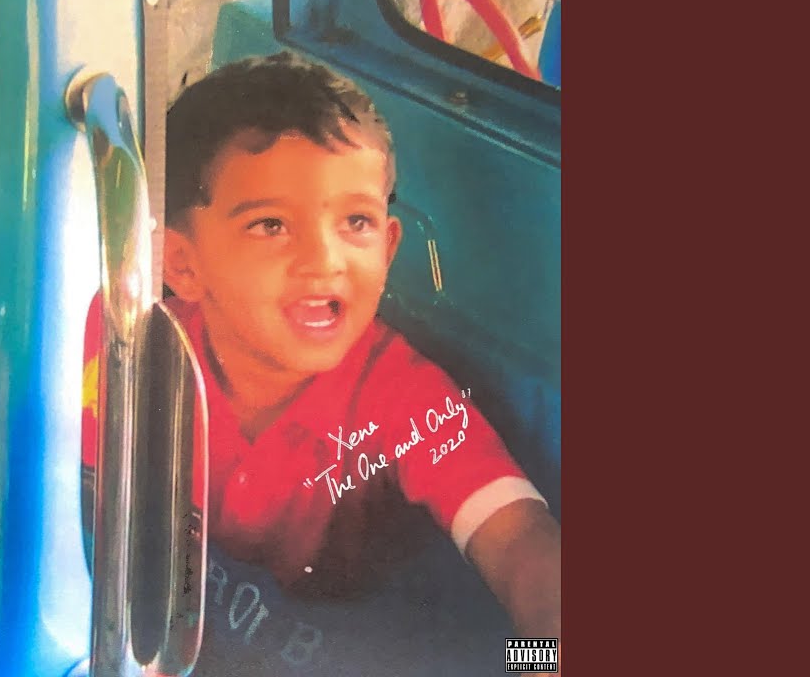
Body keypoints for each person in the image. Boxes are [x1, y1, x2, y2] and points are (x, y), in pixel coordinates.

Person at [149, 51, 560, 639]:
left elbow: (517, 535)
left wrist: (546, 644)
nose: (325, 261)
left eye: (356, 222)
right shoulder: (130, 353)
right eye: (271, 225)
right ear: (183, 265)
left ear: (389, 249)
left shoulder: (406, 398)